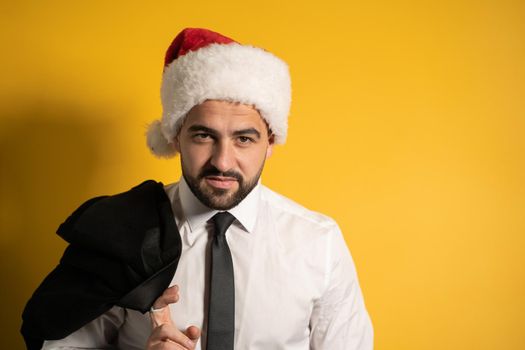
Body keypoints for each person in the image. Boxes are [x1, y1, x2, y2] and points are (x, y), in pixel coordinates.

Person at [22, 28, 373, 350]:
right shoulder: (121, 232)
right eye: (204, 135)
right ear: (175, 136)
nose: (222, 161)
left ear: (270, 143)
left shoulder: (318, 242)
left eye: (244, 139)